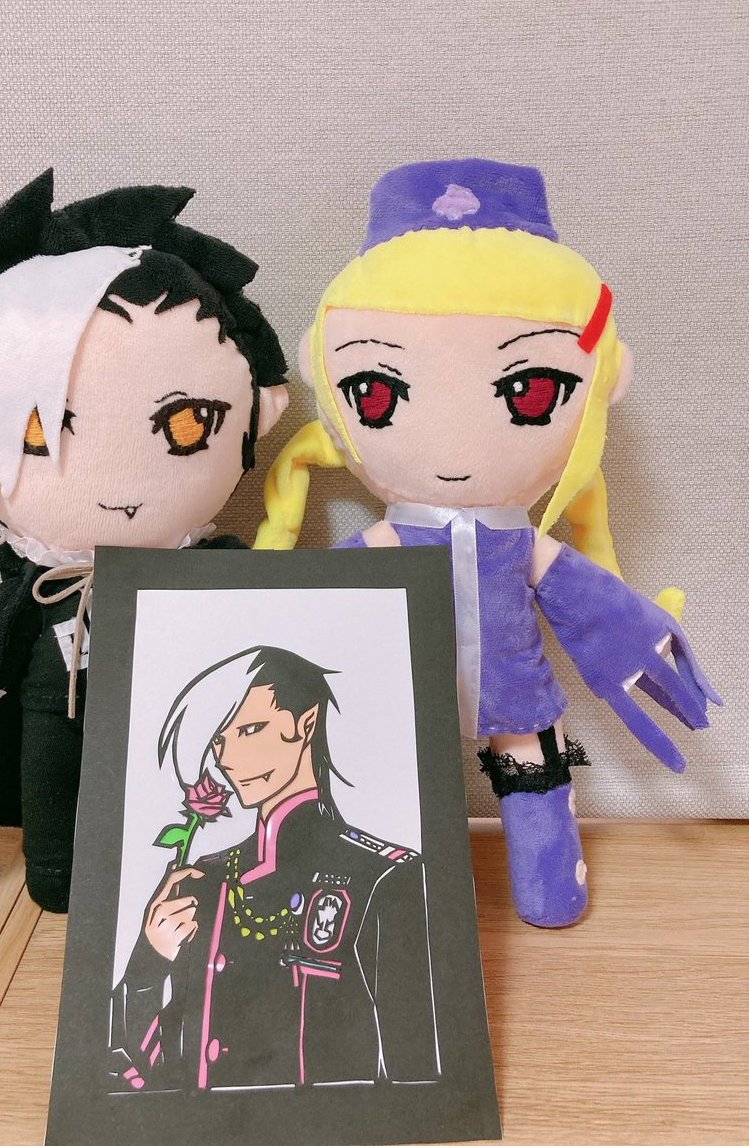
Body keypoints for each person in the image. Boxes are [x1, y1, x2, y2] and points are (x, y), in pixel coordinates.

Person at [253, 159, 720, 928]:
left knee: (534, 775)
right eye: (377, 391)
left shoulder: (522, 545)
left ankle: (549, 886)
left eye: (529, 392)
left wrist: (640, 628)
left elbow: (591, 602)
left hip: (517, 690)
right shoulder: (391, 540)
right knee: (407, 791)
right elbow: (318, 608)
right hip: (404, 694)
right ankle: (422, 924)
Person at [0, 171, 289, 911]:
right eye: (39, 433)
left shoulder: (212, 571)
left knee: (189, 783)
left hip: (189, 707)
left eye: (188, 423)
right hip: (54, 700)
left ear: (257, 411)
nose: (117, 487)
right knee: (51, 771)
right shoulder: (41, 585)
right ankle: (56, 871)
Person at [111, 647, 439, 1091]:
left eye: (250, 729)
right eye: (219, 740)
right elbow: (144, 1070)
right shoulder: (204, 879)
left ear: (306, 724)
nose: (228, 758)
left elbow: (417, 1072)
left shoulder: (382, 876)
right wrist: (149, 962)